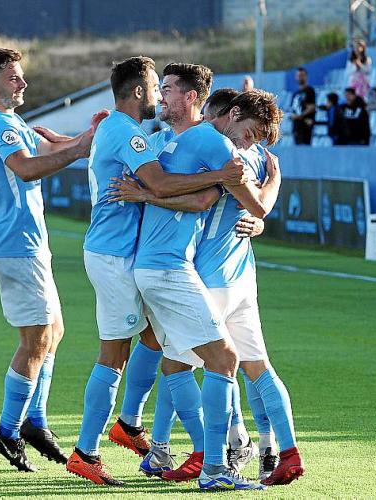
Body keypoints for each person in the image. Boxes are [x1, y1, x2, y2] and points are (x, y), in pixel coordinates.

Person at [64, 59, 248, 486]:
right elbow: (160, 184)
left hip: (120, 253)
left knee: (155, 339)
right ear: (137, 91)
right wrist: (220, 176)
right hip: (115, 256)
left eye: (166, 89)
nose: (159, 96)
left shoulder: (122, 129)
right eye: (154, 87)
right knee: (114, 354)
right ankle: (87, 451)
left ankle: (133, 426)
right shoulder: (127, 131)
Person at [131, 88, 283, 491]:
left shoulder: (179, 142)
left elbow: (197, 197)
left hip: (166, 268)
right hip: (175, 271)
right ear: (229, 114)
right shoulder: (214, 145)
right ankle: (218, 460)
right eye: (251, 132)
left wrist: (146, 193)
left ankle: (169, 448)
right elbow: (245, 204)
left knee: (176, 361)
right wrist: (273, 181)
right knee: (225, 359)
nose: (250, 142)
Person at [0, 48, 101, 472]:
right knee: (36, 339)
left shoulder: (11, 122)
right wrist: (79, 148)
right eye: (14, 77)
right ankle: (8, 430)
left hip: (27, 242)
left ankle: (35, 421)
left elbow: (48, 147)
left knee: (53, 331)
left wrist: (86, 139)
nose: (23, 83)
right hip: (15, 244)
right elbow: (27, 168)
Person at [290, 68, 316, 145]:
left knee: (305, 146)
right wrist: (292, 116)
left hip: (305, 126)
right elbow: (293, 109)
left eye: (302, 75)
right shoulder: (295, 93)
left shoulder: (310, 91)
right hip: (296, 126)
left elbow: (312, 107)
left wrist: (300, 115)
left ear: (306, 77)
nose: (300, 77)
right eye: (298, 75)